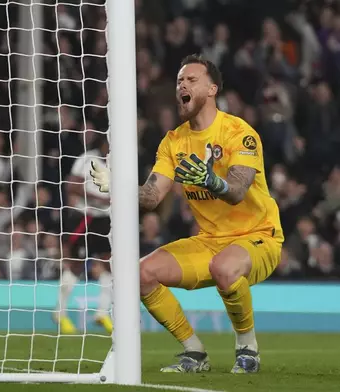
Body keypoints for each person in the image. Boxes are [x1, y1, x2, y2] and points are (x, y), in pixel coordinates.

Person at [90, 54, 283, 374]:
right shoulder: (174, 142)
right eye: (180, 80)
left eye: (192, 80)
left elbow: (236, 192)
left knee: (224, 267)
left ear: (212, 89)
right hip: (210, 241)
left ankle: (247, 348)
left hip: (258, 236)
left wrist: (210, 180)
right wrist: (118, 187)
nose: (183, 84)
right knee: (140, 274)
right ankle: (194, 352)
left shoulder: (239, 133)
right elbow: (151, 197)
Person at [55, 133, 113, 334]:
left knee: (110, 264)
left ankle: (102, 313)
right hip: (84, 217)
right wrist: (100, 199)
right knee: (76, 265)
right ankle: (60, 313)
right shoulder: (88, 159)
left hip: (105, 220)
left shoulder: (118, 162)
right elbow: (72, 186)